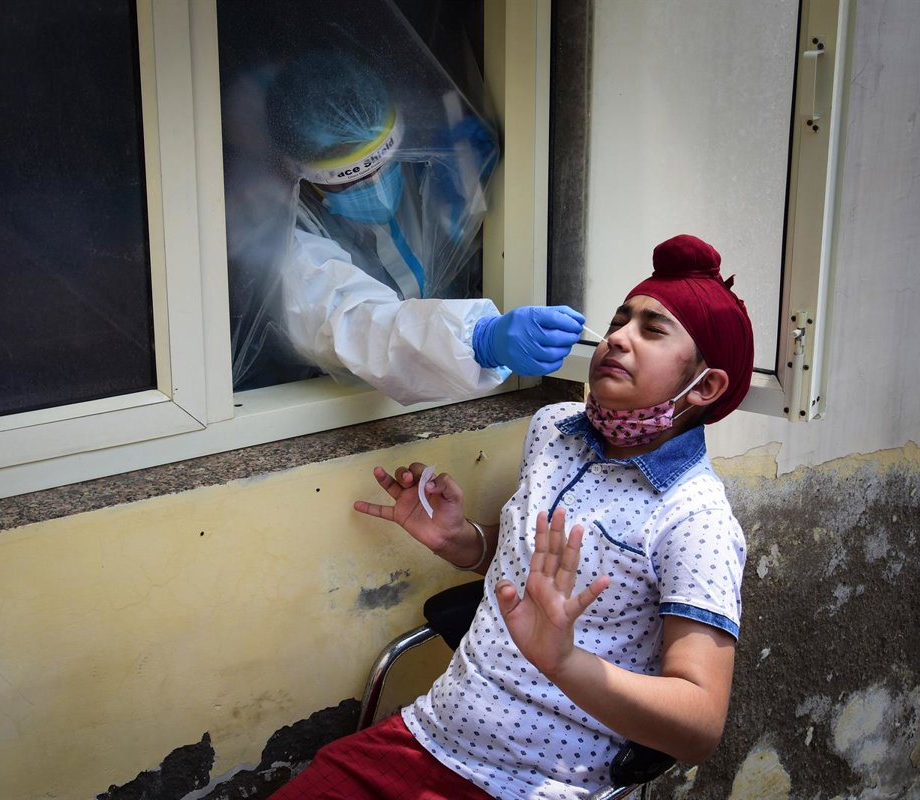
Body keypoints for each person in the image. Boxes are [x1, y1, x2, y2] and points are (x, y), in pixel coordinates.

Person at [271, 233, 755, 799]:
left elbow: (699, 725)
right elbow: (535, 562)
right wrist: (462, 540)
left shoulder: (695, 519)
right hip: (429, 735)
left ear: (706, 386)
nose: (618, 338)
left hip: (536, 784)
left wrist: (565, 662)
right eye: (618, 321)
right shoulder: (554, 430)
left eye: (652, 330)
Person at [218, 5, 585, 401]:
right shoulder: (275, 240)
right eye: (351, 179)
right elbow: (355, 324)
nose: (375, 185)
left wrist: (461, 204)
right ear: (298, 173)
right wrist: (476, 339)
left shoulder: (424, 163)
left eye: (383, 166)